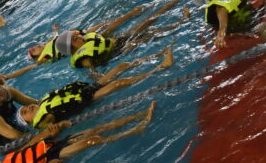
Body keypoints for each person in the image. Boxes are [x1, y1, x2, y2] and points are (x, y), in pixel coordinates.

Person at [0, 103, 155, 163]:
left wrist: (51, 130)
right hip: (51, 157)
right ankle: (135, 130)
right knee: (91, 141)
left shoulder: (8, 158)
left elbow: (32, 143)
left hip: (52, 145)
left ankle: (138, 115)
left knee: (95, 130)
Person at [16, 47, 173, 129]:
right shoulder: (42, 122)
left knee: (122, 66)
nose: (27, 108)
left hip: (85, 90)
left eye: (24, 108)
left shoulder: (43, 103)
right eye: (25, 113)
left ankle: (158, 54)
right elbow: (50, 122)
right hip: (87, 99)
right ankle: (161, 67)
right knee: (120, 83)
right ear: (29, 123)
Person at [54, 0, 185, 69]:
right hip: (118, 51)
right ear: (72, 50)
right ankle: (182, 22)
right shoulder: (84, 59)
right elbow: (92, 72)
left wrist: (131, 13)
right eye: (75, 40)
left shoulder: (89, 39)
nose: (79, 37)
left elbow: (110, 28)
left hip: (119, 40)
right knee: (149, 35)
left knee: (147, 21)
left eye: (77, 35)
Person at [0, 66, 39, 147]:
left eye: (2, 83)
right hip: (5, 148)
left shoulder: (9, 92)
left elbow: (37, 103)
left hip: (19, 130)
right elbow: (19, 136)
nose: (2, 89)